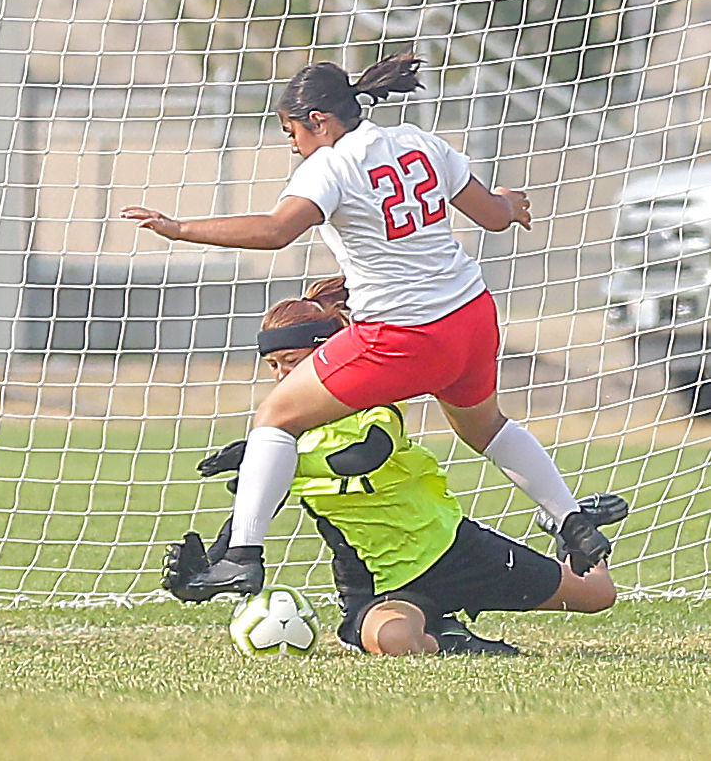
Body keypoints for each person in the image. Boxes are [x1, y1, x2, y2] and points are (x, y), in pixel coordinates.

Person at [122, 51, 611, 600]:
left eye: (291, 131)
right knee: (485, 428)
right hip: (472, 315)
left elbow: (277, 230)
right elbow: (493, 217)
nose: (291, 144)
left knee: (276, 419)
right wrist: (507, 204)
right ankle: (571, 519)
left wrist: (181, 228)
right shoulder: (419, 140)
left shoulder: (330, 165)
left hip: (405, 333)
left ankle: (242, 556)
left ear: (320, 121)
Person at [162, 282, 625, 655]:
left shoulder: (372, 408)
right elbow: (258, 507)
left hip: (457, 550)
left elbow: (363, 457)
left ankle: (564, 520)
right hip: (383, 584)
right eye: (273, 366)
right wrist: (218, 562)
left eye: (292, 362)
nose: (283, 377)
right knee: (396, 641)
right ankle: (448, 638)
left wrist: (272, 455)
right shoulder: (280, 439)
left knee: (599, 596)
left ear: (326, 357)